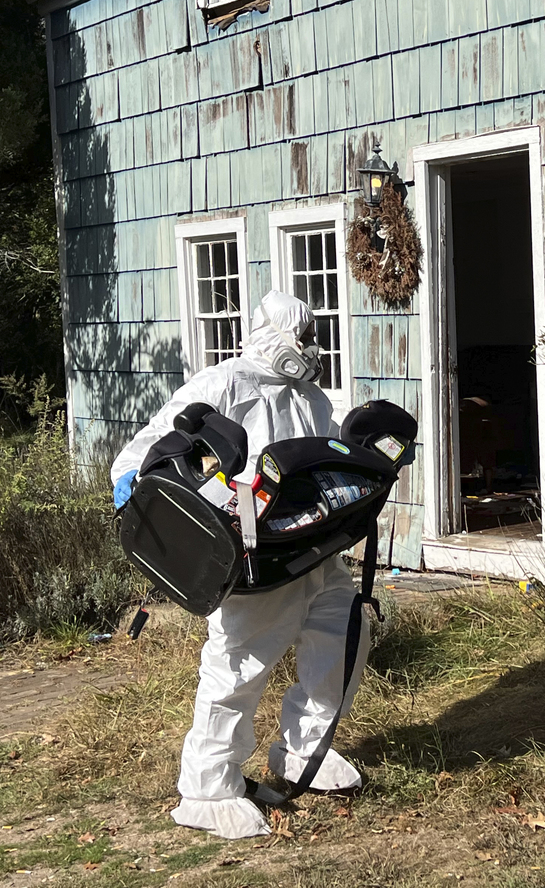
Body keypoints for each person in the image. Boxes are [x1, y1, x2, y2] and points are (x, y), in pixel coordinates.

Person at [110, 290, 368, 840]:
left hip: (313, 543)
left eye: (311, 336)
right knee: (238, 663)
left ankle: (304, 752)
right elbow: (145, 450)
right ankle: (207, 787)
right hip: (253, 552)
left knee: (342, 635)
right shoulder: (223, 384)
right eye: (300, 336)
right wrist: (136, 492)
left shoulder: (312, 396)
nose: (308, 347)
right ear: (270, 335)